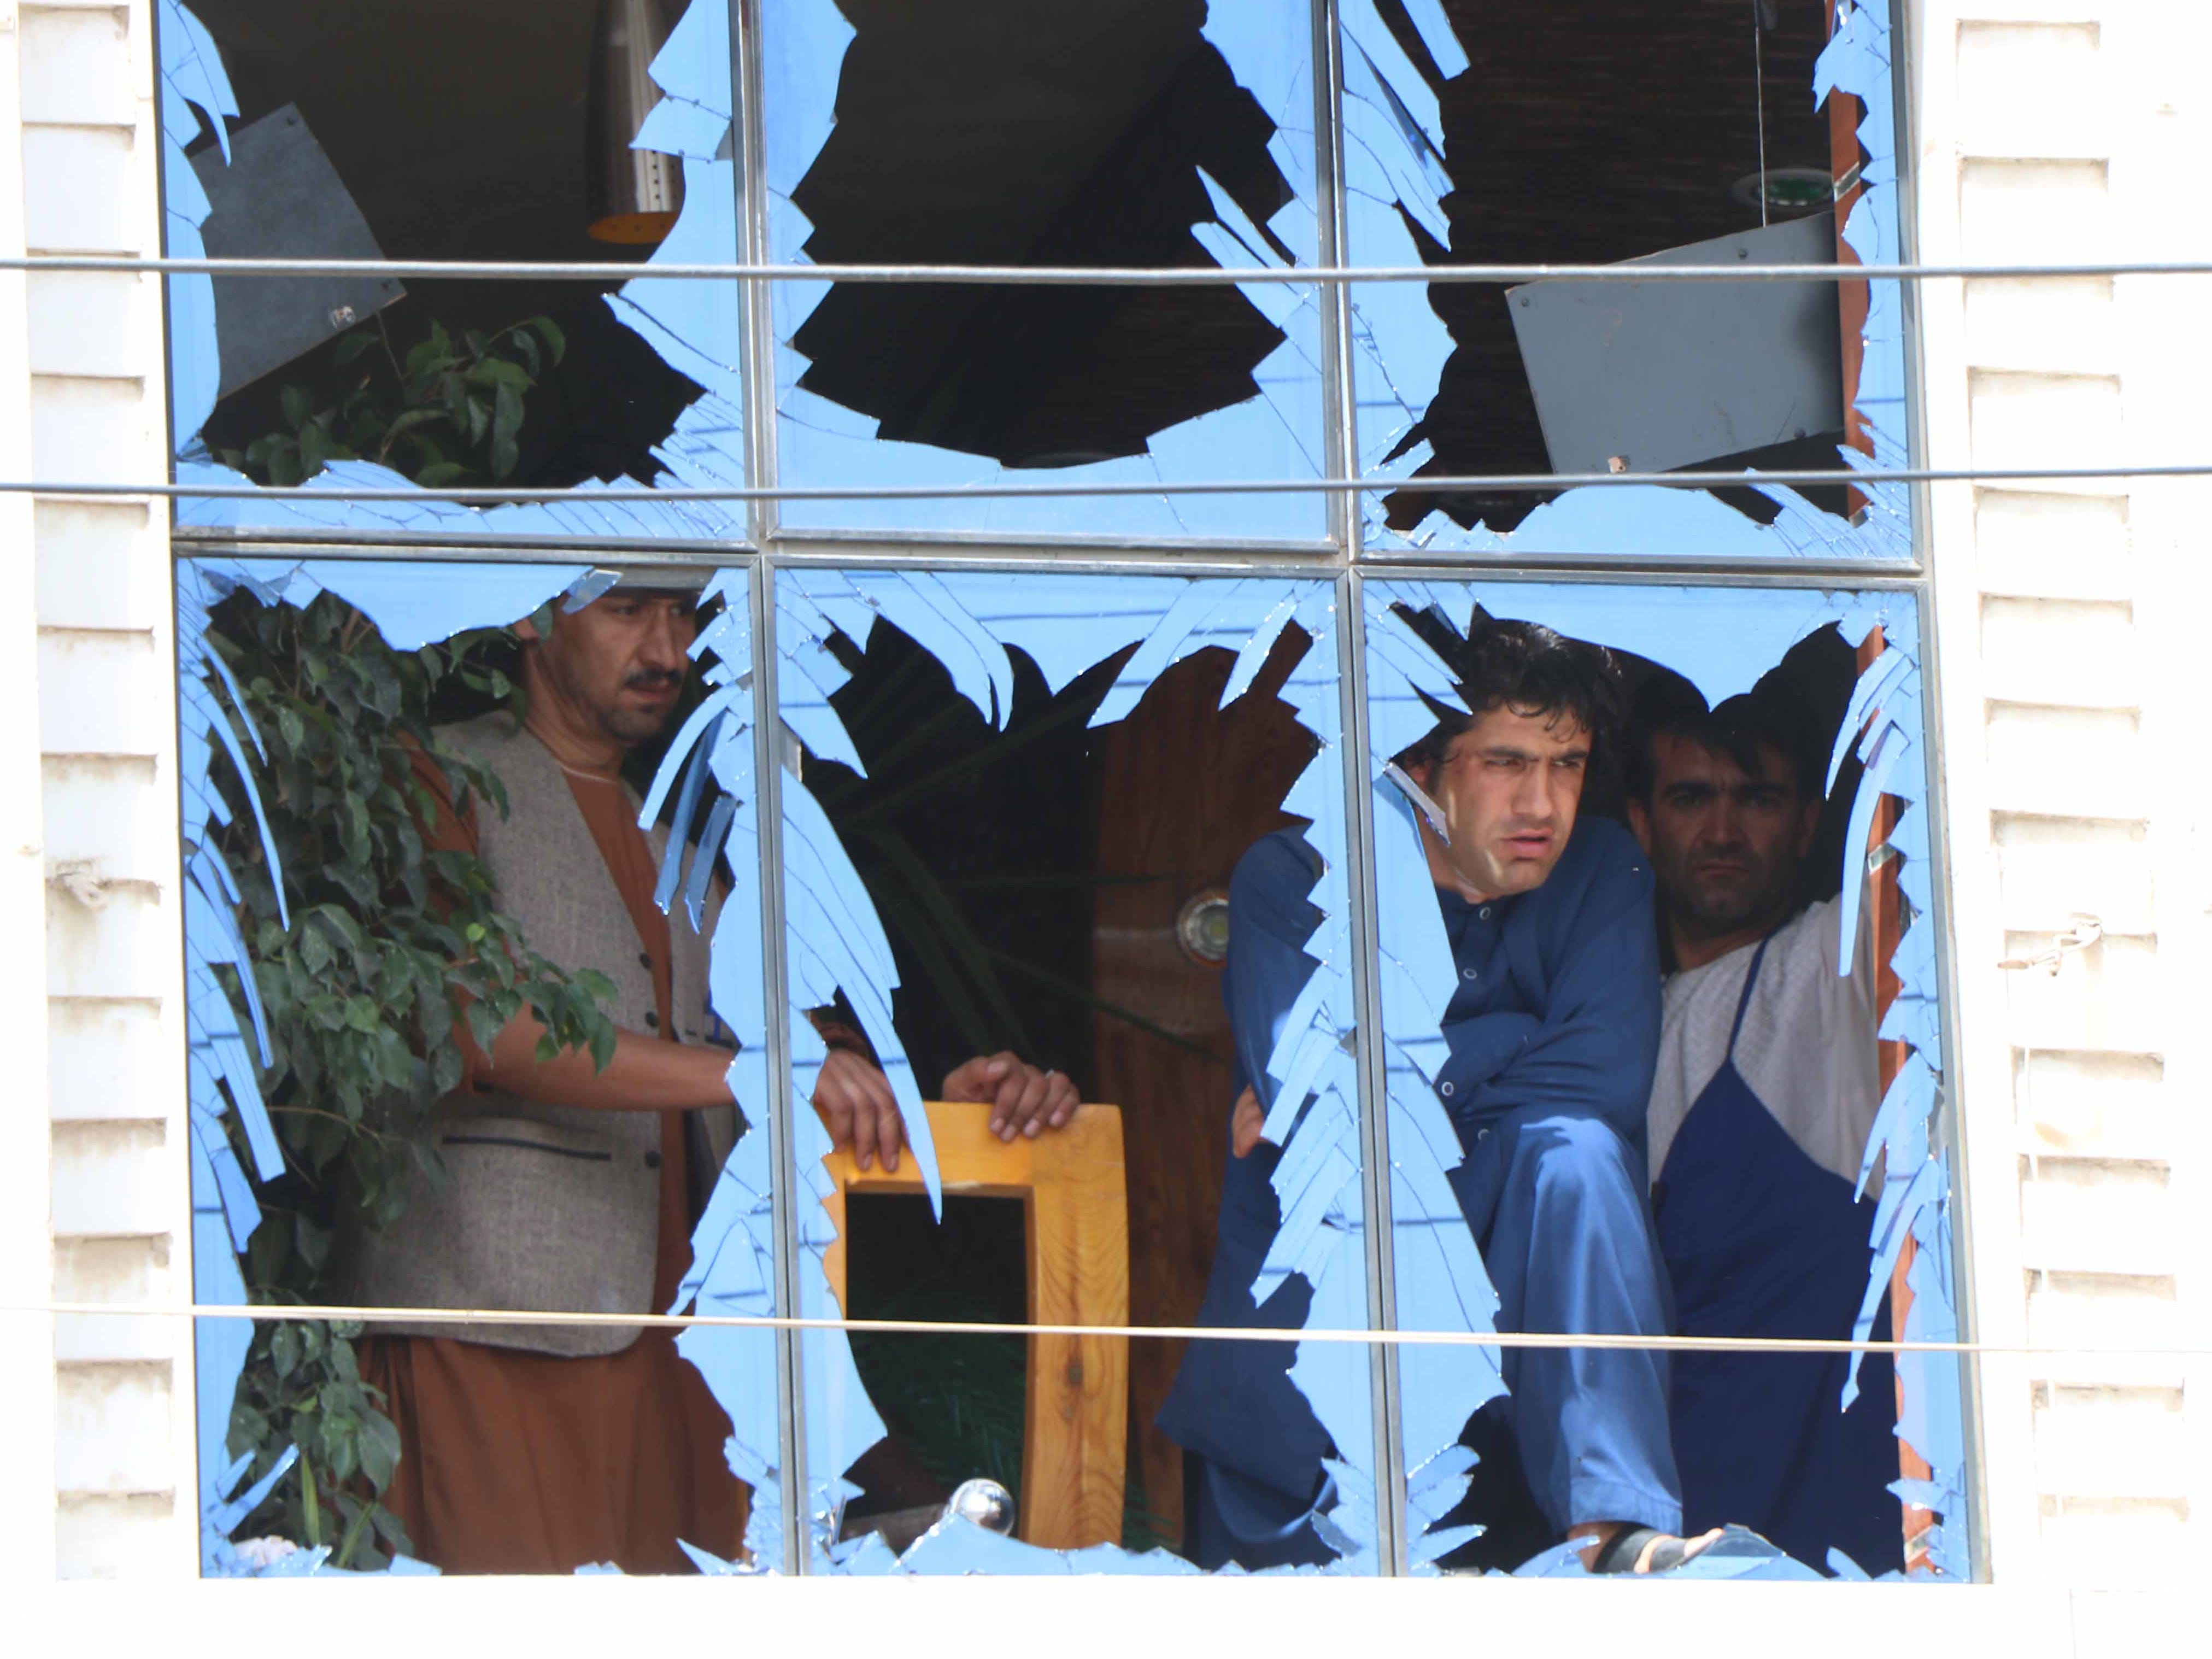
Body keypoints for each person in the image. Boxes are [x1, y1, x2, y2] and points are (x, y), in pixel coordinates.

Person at [350, 584, 1077, 1574]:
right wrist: (759, 1070)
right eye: (625, 614)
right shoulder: (438, 773)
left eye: (683, 618)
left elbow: (781, 1044)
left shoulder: (681, 842)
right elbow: (473, 1026)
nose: (668, 648)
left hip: (679, 1355)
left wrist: (942, 1090)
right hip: (491, 1323)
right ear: (528, 618)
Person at [1159, 618, 1718, 1575]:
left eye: (1569, 764)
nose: (1543, 802)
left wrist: (1422, 1073)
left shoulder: (1606, 873)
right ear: (1421, 765)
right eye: (1506, 761)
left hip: (1509, 1450)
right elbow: (1338, 1114)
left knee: (1576, 1154)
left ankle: (1612, 1532)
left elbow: (1606, 1082)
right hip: (1305, 1440)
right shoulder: (1296, 881)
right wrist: (1513, 1042)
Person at [1627, 679, 1902, 1573]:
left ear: (1810, 824)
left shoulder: (1836, 974)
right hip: (1671, 1535)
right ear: (1640, 824)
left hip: (1846, 1538)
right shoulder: (1598, 1022)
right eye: (1690, 798)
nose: (1721, 831)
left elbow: (1919, 837)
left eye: (1758, 799)